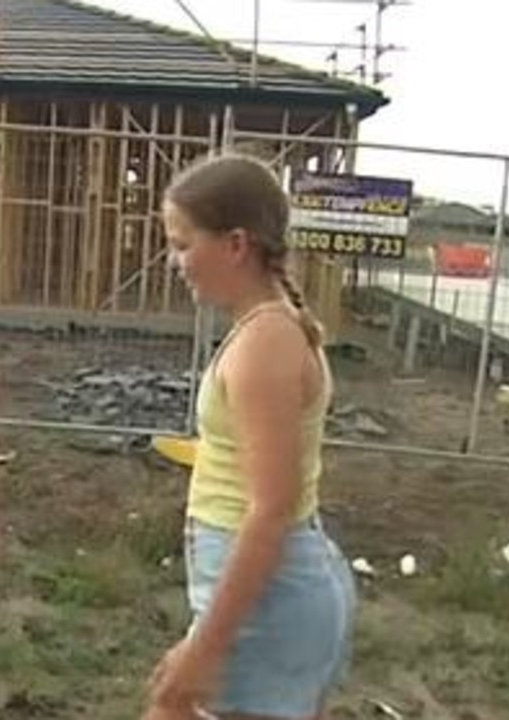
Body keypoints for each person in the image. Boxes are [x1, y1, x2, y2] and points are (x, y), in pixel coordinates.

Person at [144, 153, 357, 720]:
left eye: (184, 244)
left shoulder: (266, 343)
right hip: (269, 587)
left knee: (168, 705)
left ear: (236, 244)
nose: (175, 262)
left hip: (271, 594)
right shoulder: (268, 328)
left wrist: (203, 649)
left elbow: (269, 512)